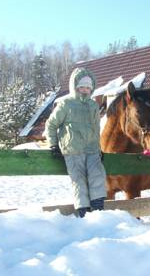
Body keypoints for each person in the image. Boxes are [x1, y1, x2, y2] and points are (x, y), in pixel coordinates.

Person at [44, 67, 106, 218]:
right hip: (73, 149)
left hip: (92, 149)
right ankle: (83, 212)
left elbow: (96, 129)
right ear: (75, 87)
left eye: (88, 87)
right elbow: (51, 125)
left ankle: (98, 210)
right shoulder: (66, 104)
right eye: (81, 87)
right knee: (79, 181)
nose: (85, 90)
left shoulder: (93, 106)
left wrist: (99, 148)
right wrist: (53, 144)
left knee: (97, 176)